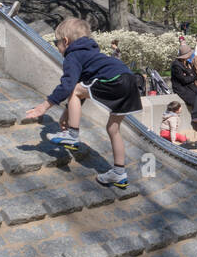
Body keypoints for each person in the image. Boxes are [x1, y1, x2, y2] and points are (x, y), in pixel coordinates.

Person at [25, 17, 143, 188]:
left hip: (114, 80)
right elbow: (82, 94)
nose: (57, 47)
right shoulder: (91, 53)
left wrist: (45, 106)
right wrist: (66, 114)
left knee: (73, 89)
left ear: (65, 41)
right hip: (130, 82)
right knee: (113, 128)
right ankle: (118, 172)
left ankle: (73, 135)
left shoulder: (73, 55)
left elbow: (68, 87)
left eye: (55, 42)